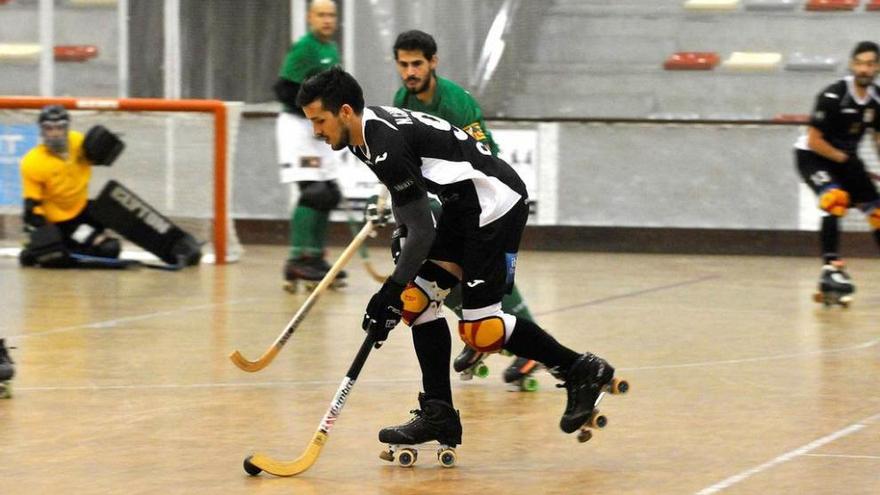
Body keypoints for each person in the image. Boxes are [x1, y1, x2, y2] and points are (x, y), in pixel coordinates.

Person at [296, 67, 620, 455]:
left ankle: (580, 368)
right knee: (416, 302)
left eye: (319, 120)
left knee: (481, 330)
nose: (316, 130)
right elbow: (406, 201)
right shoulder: (360, 137)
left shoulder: (385, 143)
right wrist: (401, 252)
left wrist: (389, 289)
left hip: (493, 205)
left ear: (345, 111)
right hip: (461, 204)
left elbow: (423, 231)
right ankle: (439, 413)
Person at [390, 29, 540, 390]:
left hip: (485, 196)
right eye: (403, 64)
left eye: (417, 64)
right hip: (447, 195)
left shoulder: (455, 104)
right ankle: (478, 334)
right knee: (436, 266)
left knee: (482, 270)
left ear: (433, 63)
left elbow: (484, 159)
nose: (410, 72)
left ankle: (527, 348)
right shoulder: (402, 99)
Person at [794, 41, 880, 305]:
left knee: (876, 211)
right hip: (814, 157)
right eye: (861, 63)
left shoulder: (877, 99)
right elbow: (813, 140)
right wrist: (845, 160)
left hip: (847, 161)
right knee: (835, 199)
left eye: (871, 63)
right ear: (853, 65)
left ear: (877, 67)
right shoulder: (833, 96)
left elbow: (877, 138)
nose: (865, 68)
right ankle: (831, 267)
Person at [274, 0, 347, 287]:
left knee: (330, 192)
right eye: (321, 15)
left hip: (318, 128)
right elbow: (283, 89)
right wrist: (312, 112)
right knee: (314, 192)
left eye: (331, 15)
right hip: (297, 129)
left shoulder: (331, 48)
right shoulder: (304, 47)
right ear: (309, 18)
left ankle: (316, 257)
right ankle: (298, 260)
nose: (327, 20)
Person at [19, 105, 124, 267]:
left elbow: (100, 158)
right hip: (62, 223)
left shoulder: (79, 142)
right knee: (109, 249)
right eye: (48, 128)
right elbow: (32, 208)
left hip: (83, 210)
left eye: (60, 127)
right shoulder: (32, 162)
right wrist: (43, 236)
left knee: (115, 232)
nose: (54, 133)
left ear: (67, 128)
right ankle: (63, 249)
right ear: (41, 131)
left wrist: (108, 148)